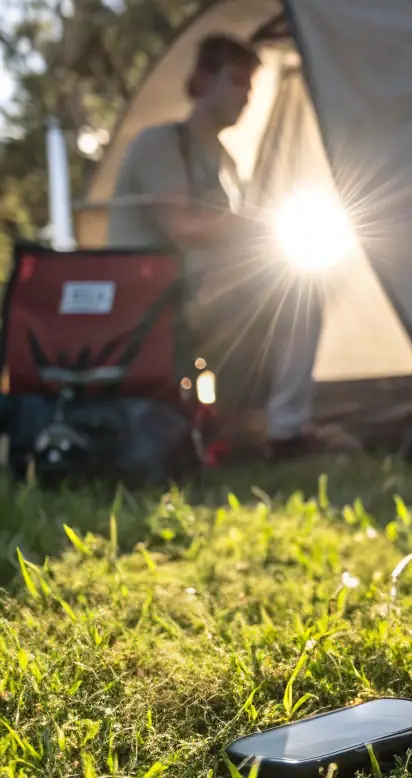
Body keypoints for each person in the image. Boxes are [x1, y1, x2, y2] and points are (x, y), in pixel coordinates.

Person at [108, 33, 325, 461]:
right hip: (154, 299)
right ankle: (277, 433)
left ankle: (256, 428)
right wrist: (259, 228)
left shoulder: (225, 160)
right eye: (236, 81)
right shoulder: (161, 145)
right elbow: (185, 228)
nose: (245, 95)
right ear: (202, 80)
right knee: (294, 292)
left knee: (298, 285)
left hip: (206, 293)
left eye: (250, 86)